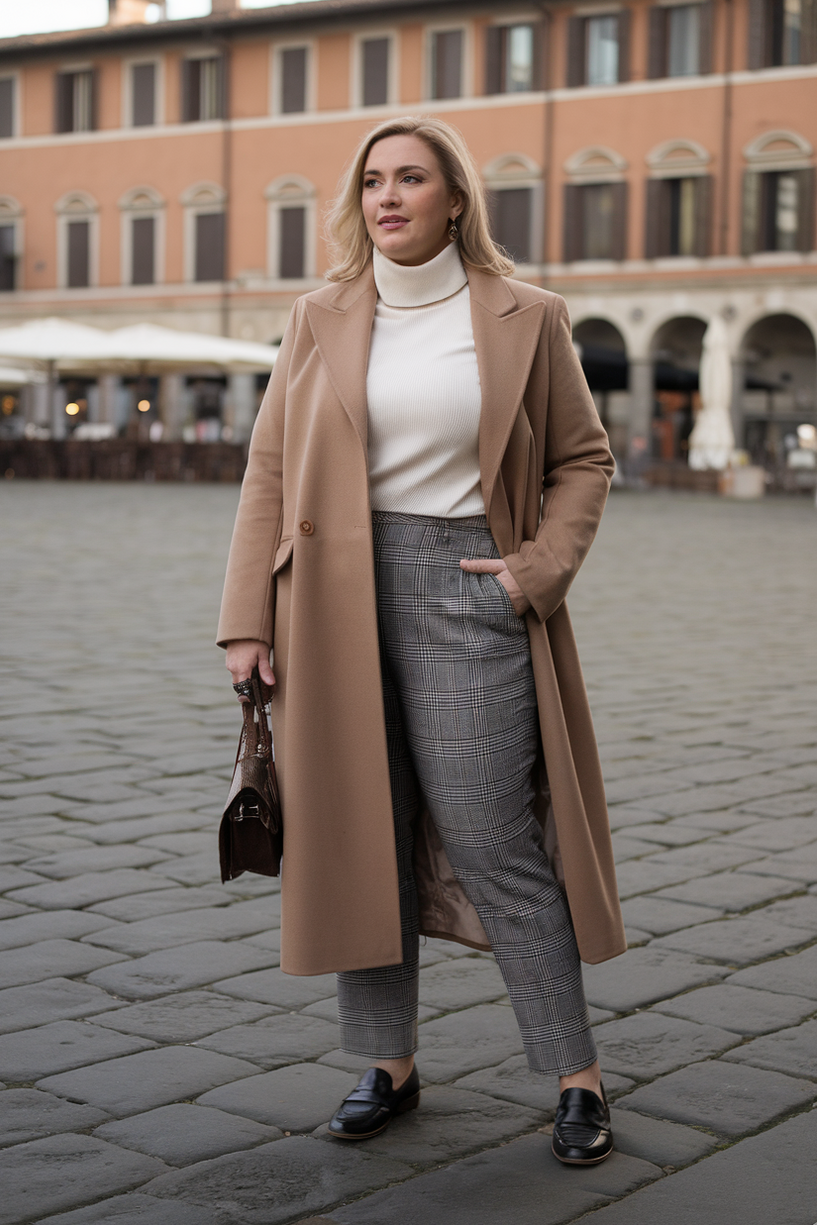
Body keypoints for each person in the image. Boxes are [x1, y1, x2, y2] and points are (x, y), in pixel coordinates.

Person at [218, 116, 626, 1165]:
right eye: (369, 182)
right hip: (327, 604)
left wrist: (533, 571)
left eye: (409, 178)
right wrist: (244, 622)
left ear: (454, 198)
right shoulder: (317, 317)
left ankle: (574, 1077)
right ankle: (386, 1065)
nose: (386, 197)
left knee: (494, 839)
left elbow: (583, 459)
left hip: (469, 591)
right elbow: (268, 473)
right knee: (362, 834)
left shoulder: (523, 316)